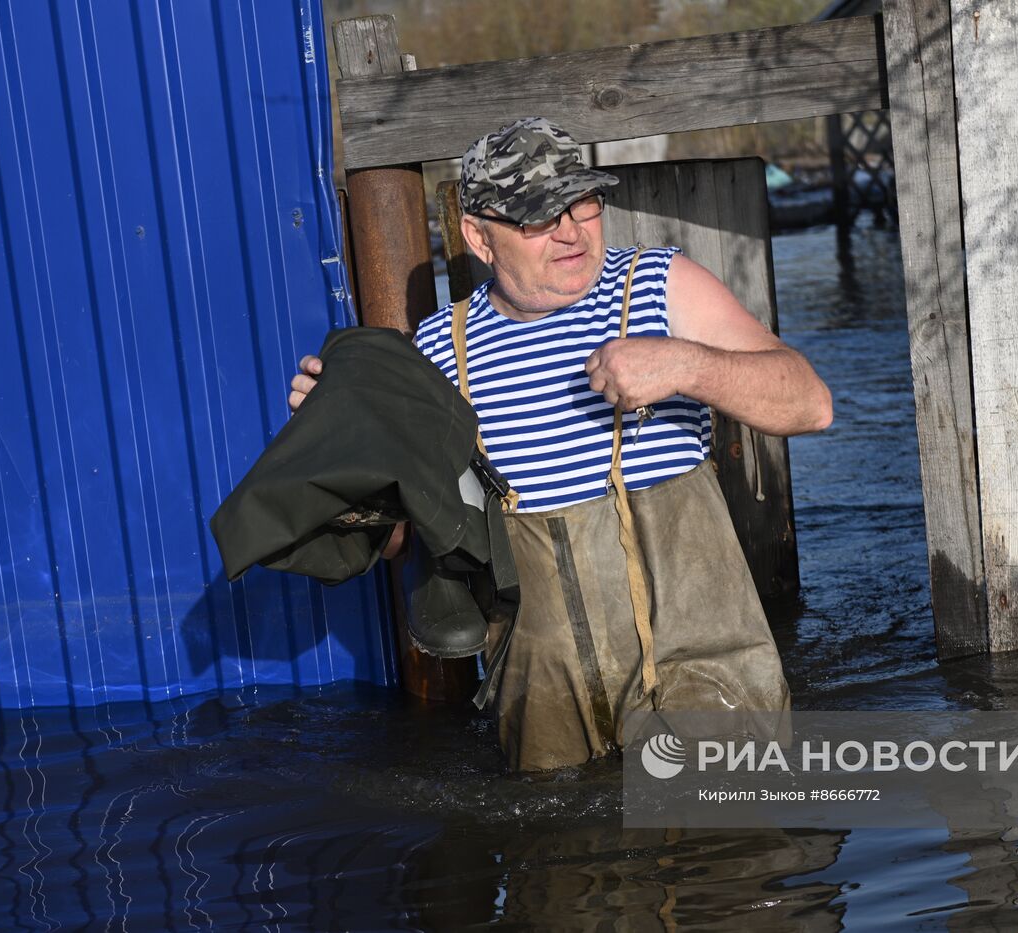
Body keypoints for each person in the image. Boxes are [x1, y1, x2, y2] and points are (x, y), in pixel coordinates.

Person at [290, 117, 832, 771]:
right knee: (566, 863)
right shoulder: (435, 355)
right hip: (549, 722)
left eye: (581, 201)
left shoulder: (661, 286)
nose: (571, 228)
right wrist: (341, 447)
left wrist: (689, 366)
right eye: (537, 215)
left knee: (735, 868)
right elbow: (402, 542)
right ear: (477, 235)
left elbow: (810, 403)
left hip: (711, 698)